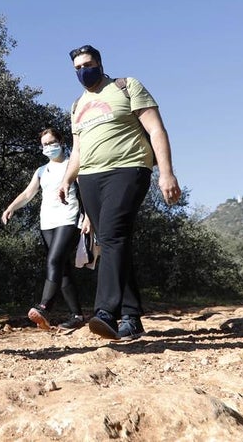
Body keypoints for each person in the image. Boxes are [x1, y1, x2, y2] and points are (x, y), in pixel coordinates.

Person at [57, 44, 180, 341]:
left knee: (112, 235)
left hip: (129, 168)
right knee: (113, 242)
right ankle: (131, 317)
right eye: (77, 68)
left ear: (99, 63)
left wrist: (166, 172)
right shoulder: (77, 106)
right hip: (89, 177)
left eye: (87, 64)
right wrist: (66, 179)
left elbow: (155, 129)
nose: (83, 71)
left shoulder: (126, 87)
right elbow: (78, 150)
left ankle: (105, 312)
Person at [1, 127, 88, 332]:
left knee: (54, 260)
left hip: (69, 219)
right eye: (45, 144)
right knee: (63, 268)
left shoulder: (72, 164)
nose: (48, 147)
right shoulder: (41, 170)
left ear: (61, 141)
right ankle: (77, 315)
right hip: (47, 222)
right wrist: (10, 207)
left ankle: (44, 306)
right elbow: (28, 193)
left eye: (51, 142)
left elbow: (85, 192)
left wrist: (89, 218)